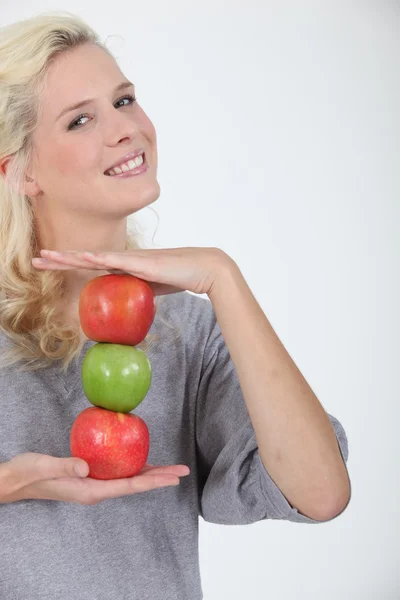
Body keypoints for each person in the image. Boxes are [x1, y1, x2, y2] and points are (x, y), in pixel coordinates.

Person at [0, 11, 351, 600]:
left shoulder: (190, 331)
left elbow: (322, 494)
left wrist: (223, 277)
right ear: (22, 171)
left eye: (125, 100)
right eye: (81, 119)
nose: (125, 128)